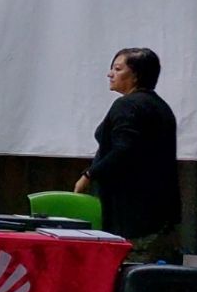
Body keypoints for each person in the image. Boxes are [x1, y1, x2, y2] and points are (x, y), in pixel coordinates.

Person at [74, 48, 181, 262]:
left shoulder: (127, 105)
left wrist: (89, 175)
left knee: (129, 273)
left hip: (133, 217)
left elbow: (124, 150)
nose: (110, 74)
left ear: (136, 75)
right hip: (159, 215)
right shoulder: (161, 106)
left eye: (117, 69)